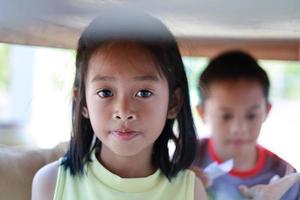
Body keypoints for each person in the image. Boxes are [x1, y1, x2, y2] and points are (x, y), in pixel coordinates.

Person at [31, 9, 207, 200]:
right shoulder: (52, 183)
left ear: (173, 102)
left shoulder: (190, 191)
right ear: (82, 102)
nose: (123, 112)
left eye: (144, 93)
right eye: (105, 92)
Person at [193, 50, 300, 199]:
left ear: (266, 111)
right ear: (202, 112)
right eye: (226, 116)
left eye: (251, 115)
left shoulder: (286, 179)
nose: (239, 128)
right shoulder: (185, 163)